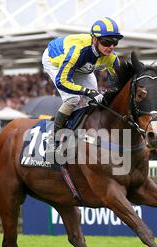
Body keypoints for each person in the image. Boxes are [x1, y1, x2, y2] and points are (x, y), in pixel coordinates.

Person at [42, 17, 123, 157]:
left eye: (114, 42)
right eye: (106, 42)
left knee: (91, 102)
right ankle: (52, 139)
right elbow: (62, 81)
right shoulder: (78, 51)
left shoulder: (111, 57)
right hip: (54, 61)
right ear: (94, 40)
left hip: (82, 67)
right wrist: (87, 91)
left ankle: (83, 136)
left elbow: (119, 83)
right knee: (73, 99)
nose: (111, 47)